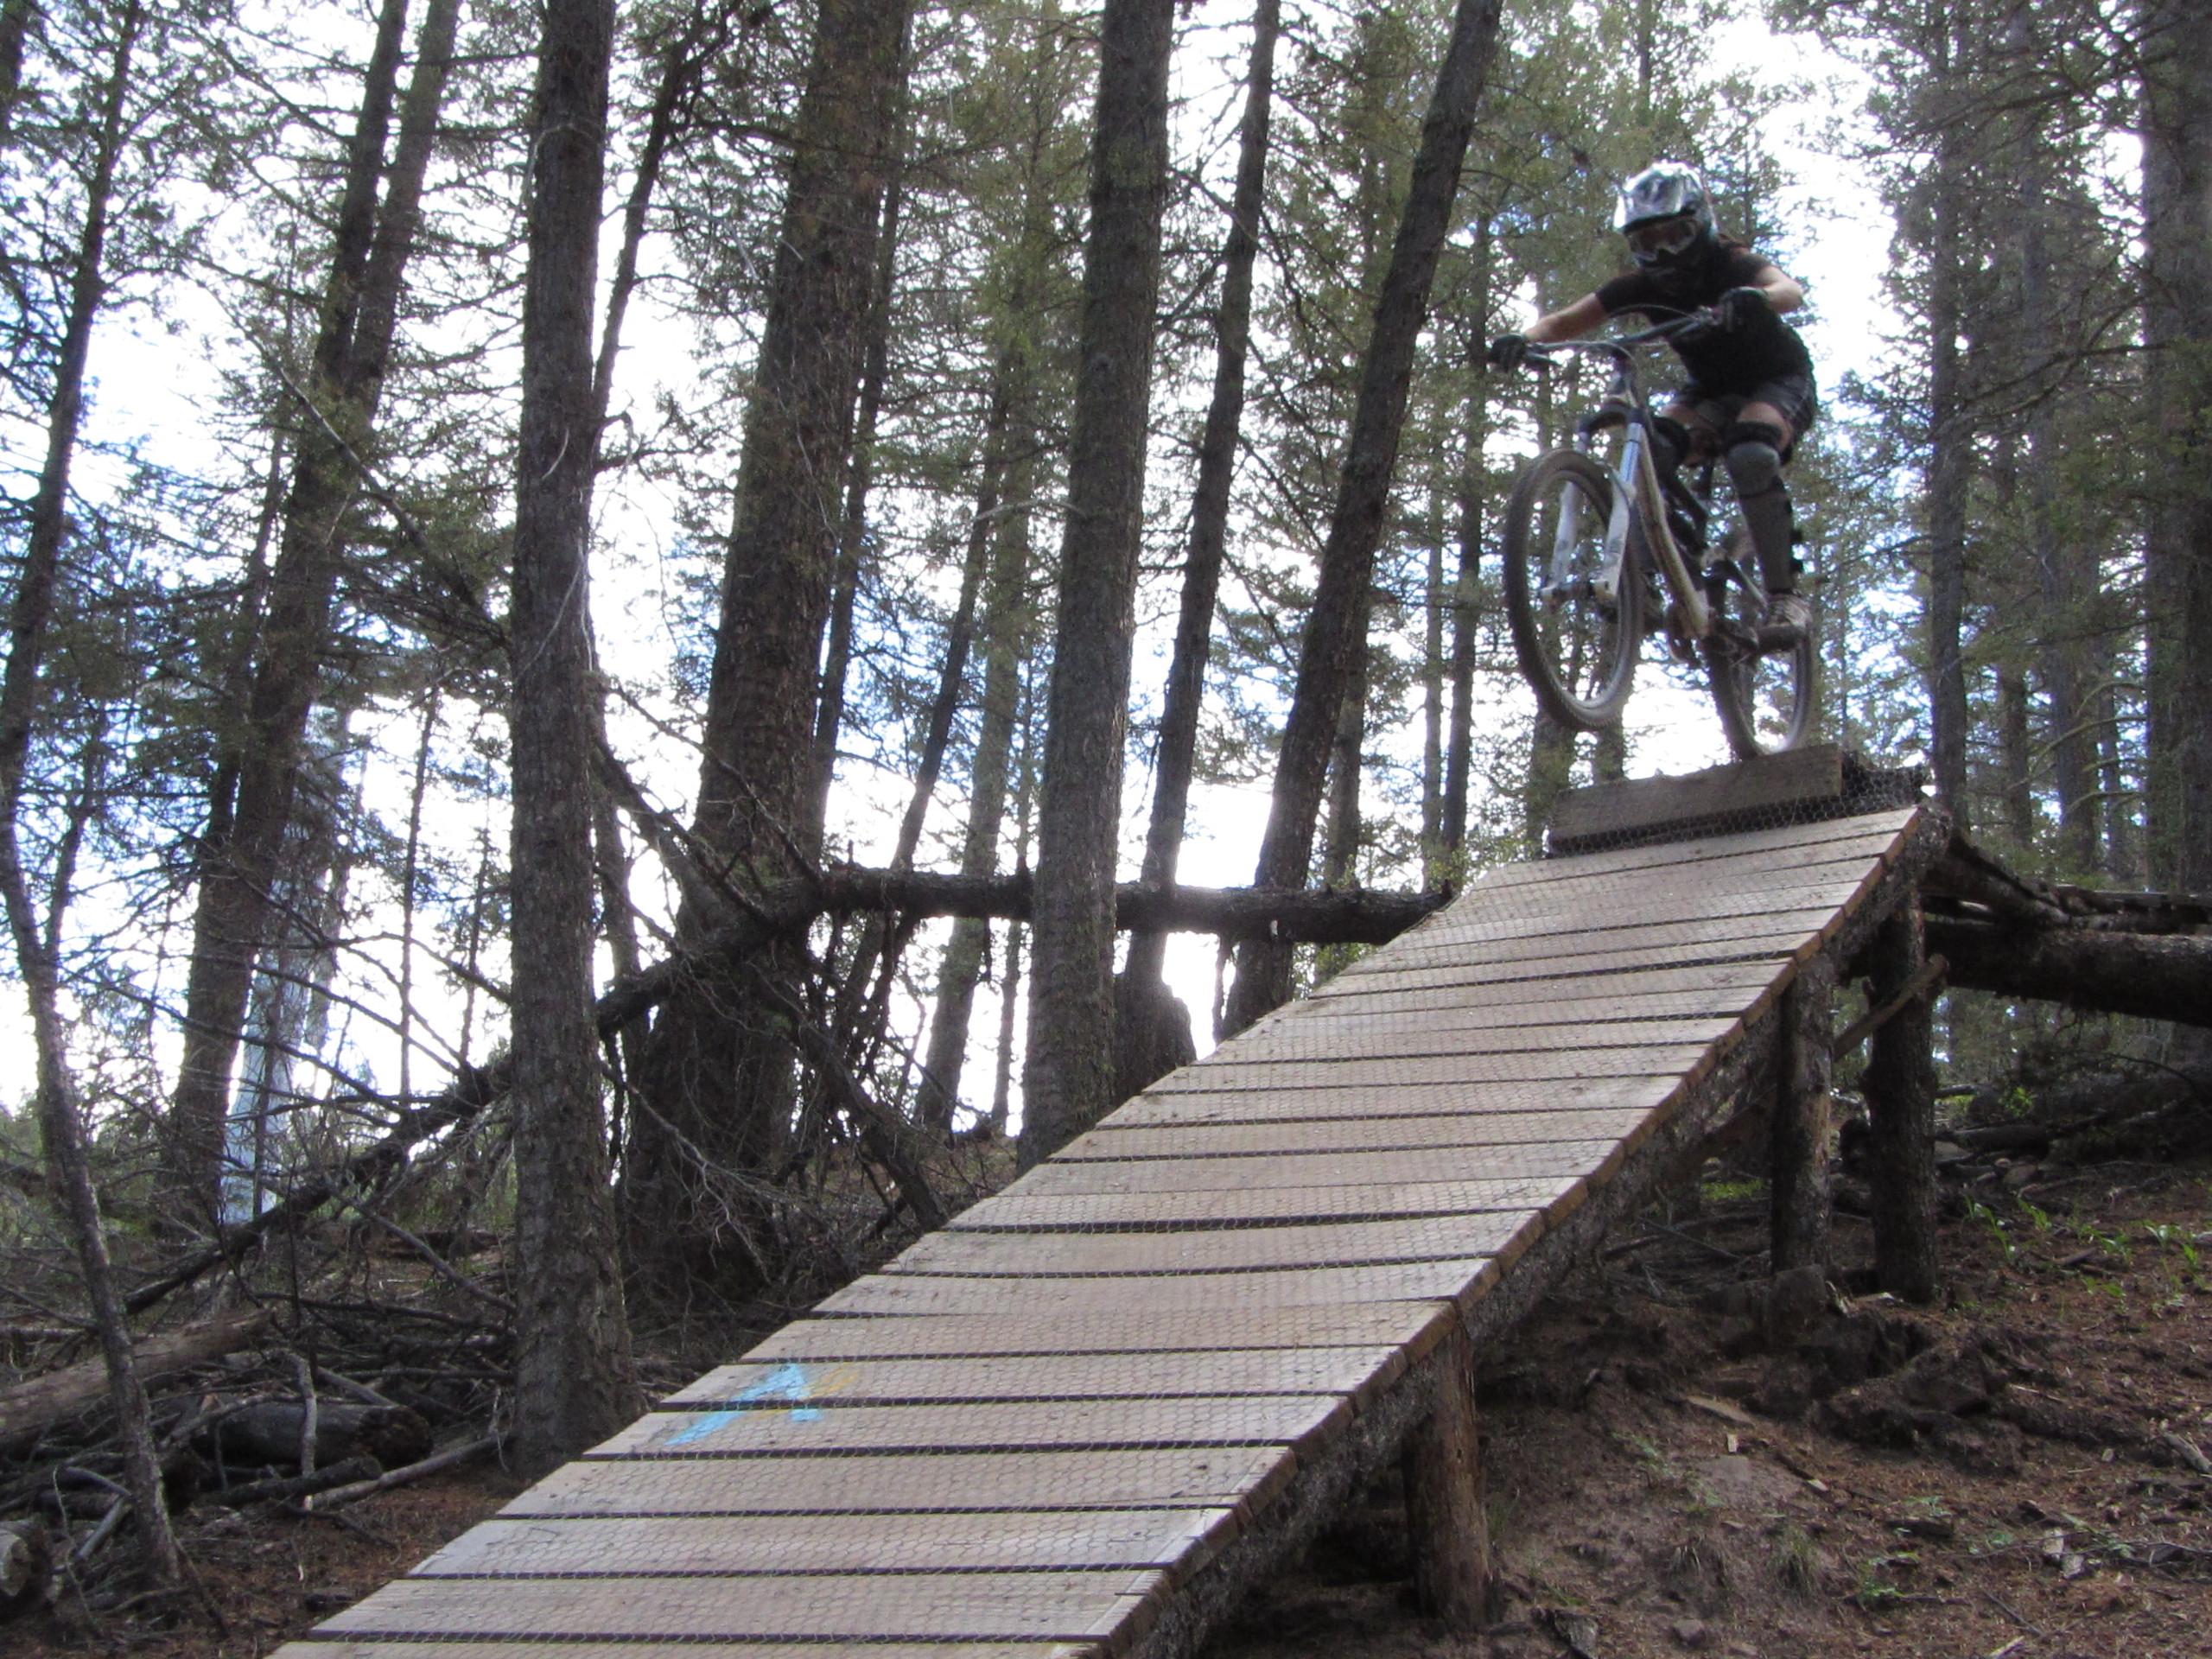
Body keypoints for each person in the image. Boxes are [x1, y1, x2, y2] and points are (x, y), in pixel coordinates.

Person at [1490, 162, 1817, 638]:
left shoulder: (1731, 262)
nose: (1663, 253)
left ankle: (1786, 599)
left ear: (1701, 225)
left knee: (1750, 451)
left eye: (1675, 235)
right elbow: (1563, 322)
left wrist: (1755, 297)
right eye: (1647, 242)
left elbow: (1789, 290)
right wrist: (1524, 338)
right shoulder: (1641, 286)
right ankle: (1649, 579)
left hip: (1778, 379)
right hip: (1708, 392)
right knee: (1651, 449)